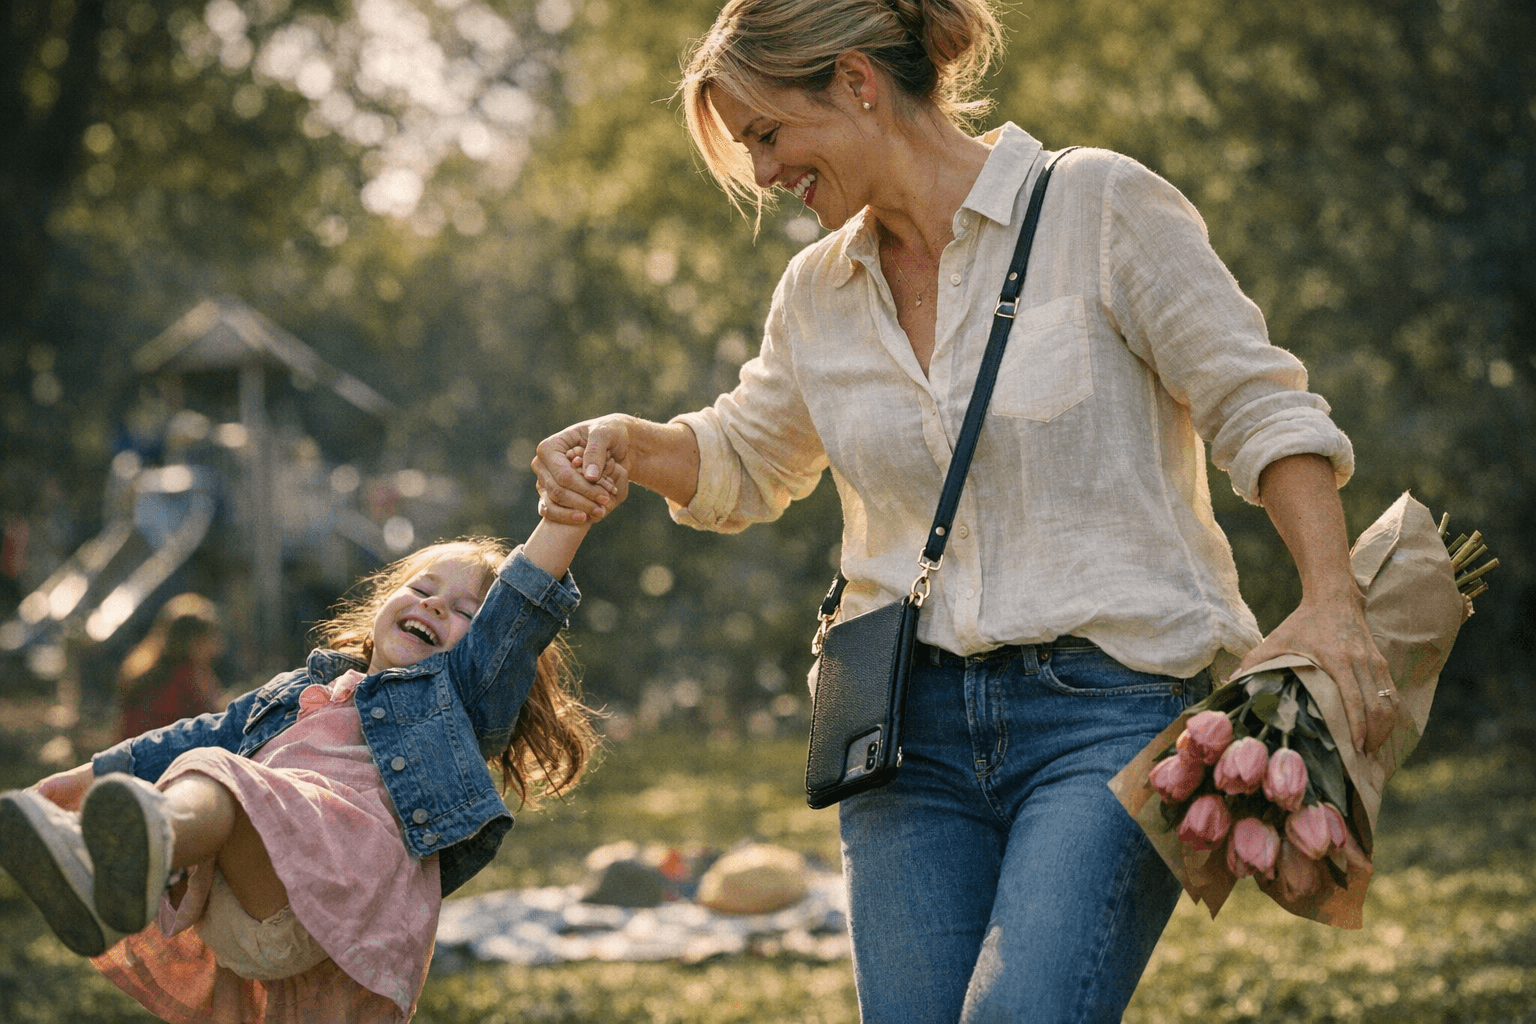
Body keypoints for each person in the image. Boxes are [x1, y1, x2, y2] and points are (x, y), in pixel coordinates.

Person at [531, 0, 1396, 1020]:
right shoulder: (818, 290)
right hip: (902, 735)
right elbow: (746, 456)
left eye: (768, 134)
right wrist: (634, 444)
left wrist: (1331, 599)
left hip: (1110, 715)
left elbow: (1258, 404)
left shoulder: (1100, 206)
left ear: (857, 82)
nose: (765, 173)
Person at [0, 453, 624, 1024]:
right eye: (424, 589)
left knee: (222, 773)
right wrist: (73, 783)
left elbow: (521, 605)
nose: (437, 607)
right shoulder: (298, 690)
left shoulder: (456, 701)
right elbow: (184, 737)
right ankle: (105, 852)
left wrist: (566, 510)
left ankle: (136, 847)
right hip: (243, 894)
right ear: (383, 603)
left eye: (465, 611)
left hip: (338, 893)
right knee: (211, 759)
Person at [115, 592, 224, 742]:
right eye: (211, 637)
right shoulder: (185, 679)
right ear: (193, 640)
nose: (217, 645)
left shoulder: (144, 671)